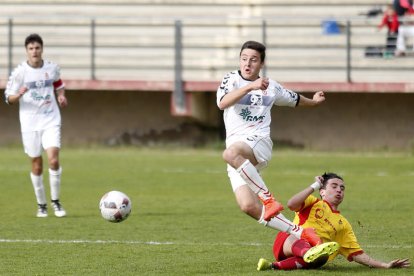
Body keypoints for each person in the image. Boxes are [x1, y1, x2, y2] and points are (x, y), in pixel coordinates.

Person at [216, 40, 325, 246]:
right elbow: (222, 103)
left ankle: (268, 198)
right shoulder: (230, 79)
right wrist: (250, 86)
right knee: (248, 206)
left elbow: (295, 99)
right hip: (239, 154)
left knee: (229, 154)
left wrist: (315, 102)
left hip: (258, 143)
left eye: (253, 60)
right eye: (244, 59)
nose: (247, 63)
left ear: (262, 64)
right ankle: (302, 233)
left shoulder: (271, 87)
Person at [257, 173, 411, 270]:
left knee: (321, 258)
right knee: (299, 237)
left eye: (342, 188)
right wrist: (314, 186)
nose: (339, 190)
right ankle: (308, 252)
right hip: (288, 243)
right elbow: (291, 204)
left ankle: (272, 266)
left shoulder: (343, 224)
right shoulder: (313, 202)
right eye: (334, 186)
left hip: (311, 258)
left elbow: (357, 254)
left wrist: (385, 265)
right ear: (322, 191)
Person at [4, 33, 68, 218]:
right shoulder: (20, 73)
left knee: (54, 160)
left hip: (50, 119)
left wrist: (61, 96)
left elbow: (58, 83)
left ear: (42, 49)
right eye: (31, 48)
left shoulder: (51, 68)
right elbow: (9, 98)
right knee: (37, 165)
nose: (34, 51)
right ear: (26, 51)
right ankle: (42, 205)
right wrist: (20, 94)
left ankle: (56, 202)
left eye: (37, 48)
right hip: (30, 123)